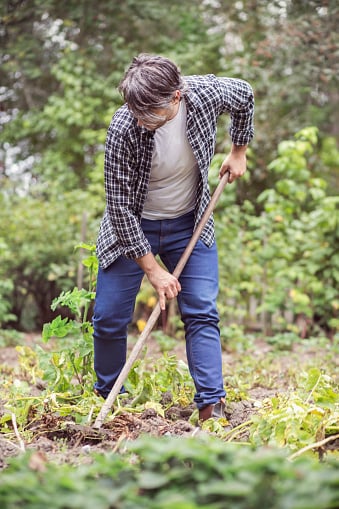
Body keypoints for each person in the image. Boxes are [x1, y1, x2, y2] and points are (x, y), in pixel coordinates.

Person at [93, 54, 254, 421]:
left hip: (189, 224)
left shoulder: (204, 95)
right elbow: (119, 210)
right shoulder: (123, 128)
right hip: (133, 227)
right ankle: (109, 396)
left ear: (176, 98)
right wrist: (153, 270)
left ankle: (212, 405)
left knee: (201, 311)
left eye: (148, 113)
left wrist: (238, 150)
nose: (139, 120)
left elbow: (244, 95)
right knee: (108, 318)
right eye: (134, 111)